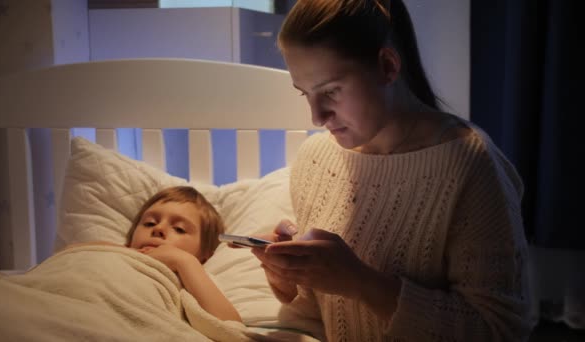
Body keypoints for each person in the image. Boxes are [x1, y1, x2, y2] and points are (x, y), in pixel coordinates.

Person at [251, 0, 533, 341]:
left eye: (332, 91)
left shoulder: (471, 166)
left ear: (387, 65)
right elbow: (320, 311)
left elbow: (499, 331)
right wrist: (289, 275)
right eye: (305, 94)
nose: (317, 117)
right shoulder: (315, 159)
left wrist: (360, 282)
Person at [68, 185, 241, 322]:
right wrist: (120, 250)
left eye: (179, 229)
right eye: (150, 223)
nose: (158, 228)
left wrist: (184, 261)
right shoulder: (114, 252)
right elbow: (64, 258)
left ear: (204, 255)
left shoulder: (196, 275)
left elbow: (231, 326)